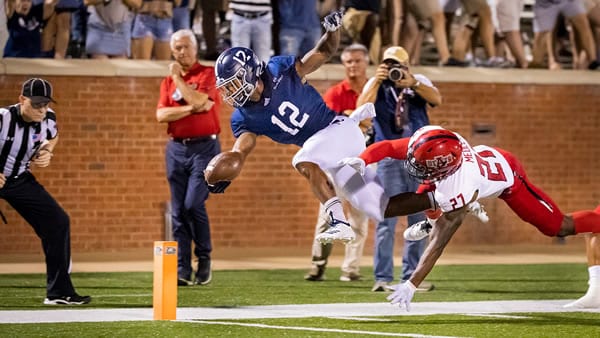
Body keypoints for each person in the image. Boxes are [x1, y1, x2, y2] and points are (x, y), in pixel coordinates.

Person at [349, 125, 600, 310]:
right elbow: (391, 147)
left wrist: (412, 284)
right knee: (429, 192)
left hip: (509, 178)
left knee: (558, 227)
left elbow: (439, 243)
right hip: (479, 164)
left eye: (424, 165)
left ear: (446, 167)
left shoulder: (460, 186)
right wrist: (363, 159)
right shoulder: (438, 141)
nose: (415, 166)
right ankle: (434, 217)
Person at [209, 10, 388, 246]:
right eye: (227, 88)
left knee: (303, 161)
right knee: (374, 204)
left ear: (250, 73)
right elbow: (241, 150)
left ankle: (340, 224)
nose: (230, 92)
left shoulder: (278, 70)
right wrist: (225, 170)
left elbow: (323, 52)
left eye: (233, 84)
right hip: (328, 151)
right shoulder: (243, 117)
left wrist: (332, 31)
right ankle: (430, 204)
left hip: (338, 130)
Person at [355, 45, 441, 292]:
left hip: (419, 157)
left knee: (419, 219)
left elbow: (437, 99)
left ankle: (411, 278)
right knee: (385, 219)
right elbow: (362, 110)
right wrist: (376, 81)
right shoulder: (376, 83)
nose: (393, 69)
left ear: (407, 66)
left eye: (397, 65)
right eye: (388, 64)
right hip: (389, 159)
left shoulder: (418, 81)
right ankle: (382, 278)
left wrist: (412, 83)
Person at [0, 78, 91, 305]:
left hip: (19, 179)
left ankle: (59, 292)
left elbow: (52, 136)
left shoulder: (48, 118)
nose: (41, 109)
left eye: (45, 104)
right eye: (36, 104)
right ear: (22, 100)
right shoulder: (3, 118)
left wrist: (48, 150)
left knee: (58, 222)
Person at [156, 29, 222, 286]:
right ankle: (182, 268)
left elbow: (201, 100)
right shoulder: (166, 83)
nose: (181, 52)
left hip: (204, 149)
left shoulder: (207, 74)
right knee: (177, 211)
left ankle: (203, 258)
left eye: (185, 47)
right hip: (176, 149)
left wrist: (178, 79)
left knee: (193, 204)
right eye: (177, 49)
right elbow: (161, 116)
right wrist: (190, 108)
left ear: (195, 48)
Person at [304, 43, 371, 282]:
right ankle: (317, 265)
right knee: (328, 214)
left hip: (364, 162)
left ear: (366, 63)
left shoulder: (374, 91)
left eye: (357, 61)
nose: (353, 65)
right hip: (338, 163)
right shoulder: (335, 93)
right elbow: (327, 127)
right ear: (344, 65)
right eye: (349, 61)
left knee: (360, 217)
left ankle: (350, 269)